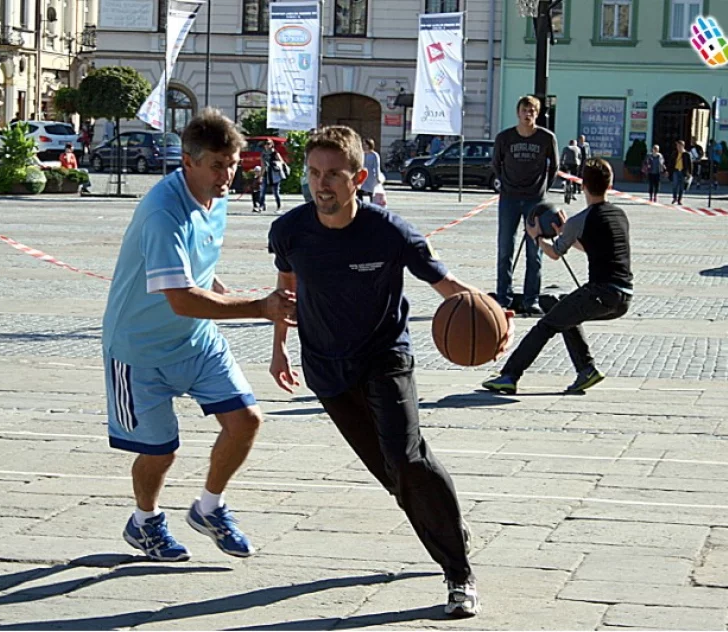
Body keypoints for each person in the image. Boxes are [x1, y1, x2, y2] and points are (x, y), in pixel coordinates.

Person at [267, 125, 513, 618]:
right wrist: (279, 348)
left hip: (385, 359)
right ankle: (446, 523)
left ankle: (458, 572)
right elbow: (285, 294)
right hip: (326, 369)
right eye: (314, 173)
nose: (322, 184)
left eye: (333, 174)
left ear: (357, 177)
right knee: (392, 477)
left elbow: (446, 286)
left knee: (407, 459)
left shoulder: (390, 231)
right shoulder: (291, 230)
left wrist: (489, 309)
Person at [101, 108, 297, 563]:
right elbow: (183, 298)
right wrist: (260, 309)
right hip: (138, 349)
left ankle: (209, 508)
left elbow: (199, 274)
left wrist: (226, 293)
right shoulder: (162, 213)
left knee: (246, 420)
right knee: (160, 450)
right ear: (187, 161)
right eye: (217, 165)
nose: (227, 174)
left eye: (232, 163)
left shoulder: (217, 195)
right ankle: (144, 522)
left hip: (196, 341)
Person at [483, 158, 632, 396]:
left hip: (600, 293)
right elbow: (594, 247)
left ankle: (509, 376)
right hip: (623, 297)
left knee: (545, 325)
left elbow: (553, 253)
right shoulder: (619, 215)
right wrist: (566, 232)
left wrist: (536, 237)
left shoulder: (580, 220)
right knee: (557, 305)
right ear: (609, 184)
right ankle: (586, 370)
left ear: (582, 185)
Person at [492, 95, 559, 316]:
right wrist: (506, 184)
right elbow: (496, 164)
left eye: (532, 110)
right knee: (505, 249)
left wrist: (542, 189)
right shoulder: (505, 138)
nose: (528, 114)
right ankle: (504, 298)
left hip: (535, 200)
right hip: (509, 199)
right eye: (524, 110)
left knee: (535, 252)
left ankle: (532, 299)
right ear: (518, 112)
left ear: (537, 114)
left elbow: (555, 166)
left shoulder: (546, 138)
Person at [259, 139, 289, 214]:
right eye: (265, 144)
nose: (267, 145)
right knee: (262, 191)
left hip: (274, 174)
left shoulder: (275, 153)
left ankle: (279, 207)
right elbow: (263, 166)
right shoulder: (263, 154)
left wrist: (274, 163)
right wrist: (260, 176)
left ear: (272, 145)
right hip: (266, 173)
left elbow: (282, 162)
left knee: (275, 192)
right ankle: (261, 205)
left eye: (268, 144)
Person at [669, 140, 693, 205]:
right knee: (675, 185)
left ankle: (680, 200)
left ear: (682, 146)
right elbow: (671, 162)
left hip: (683, 172)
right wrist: (669, 171)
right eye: (677, 146)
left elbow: (690, 164)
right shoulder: (675, 153)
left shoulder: (686, 154)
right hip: (676, 171)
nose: (678, 147)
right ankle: (674, 198)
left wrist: (690, 173)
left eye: (679, 146)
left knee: (682, 187)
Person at [358, 138, 382, 202]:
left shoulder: (374, 155)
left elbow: (377, 166)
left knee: (371, 193)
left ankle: (372, 205)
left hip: (371, 177)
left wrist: (377, 177)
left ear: (370, 145)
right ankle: (361, 206)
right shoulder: (362, 154)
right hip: (363, 176)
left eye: (366, 144)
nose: (364, 146)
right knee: (360, 191)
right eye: (363, 144)